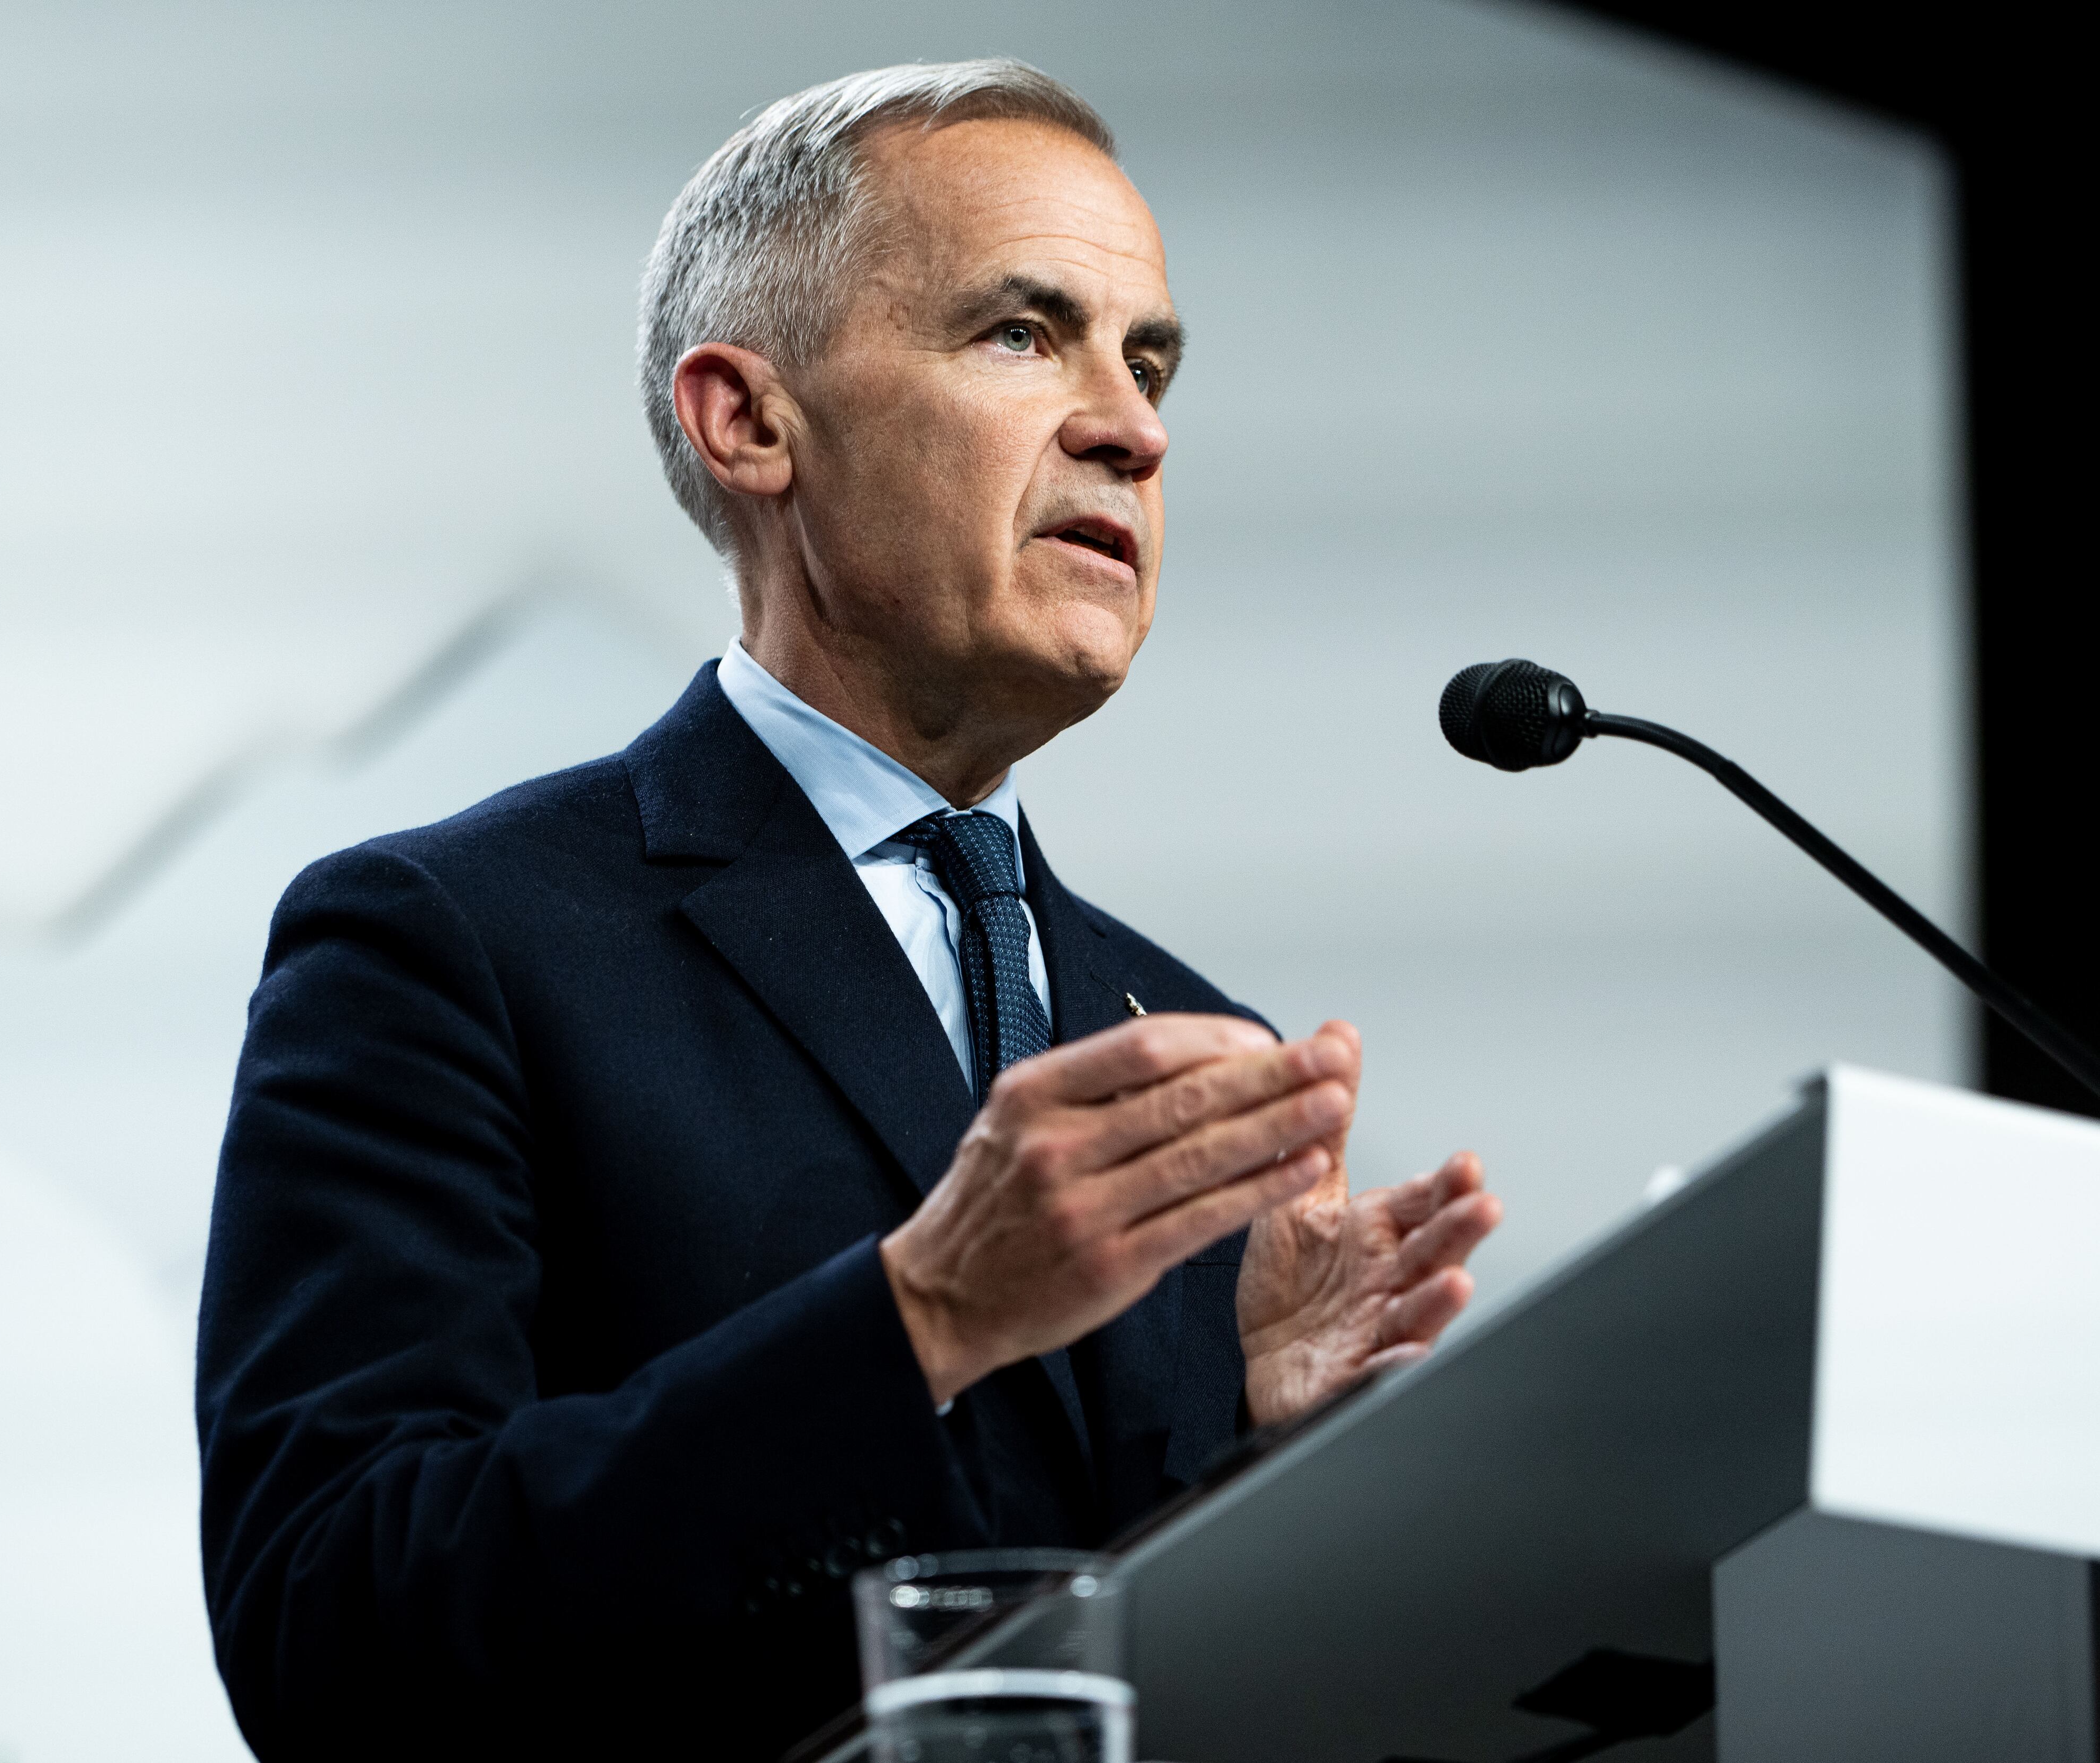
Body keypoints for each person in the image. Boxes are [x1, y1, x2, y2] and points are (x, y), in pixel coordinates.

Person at [196, 59, 1503, 1761]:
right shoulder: (452, 943)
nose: (1134, 425)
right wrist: (924, 1319)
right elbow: (333, 1629)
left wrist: (1256, 1450)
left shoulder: (1184, 1044)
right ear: (747, 421)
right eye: (1023, 335)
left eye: (1150, 358)